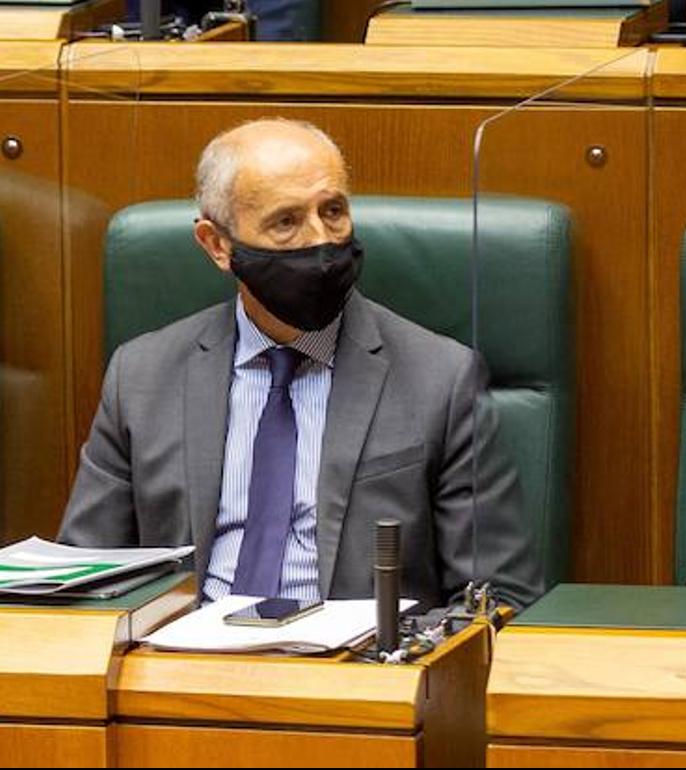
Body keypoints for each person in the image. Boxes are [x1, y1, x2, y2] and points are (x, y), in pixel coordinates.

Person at [59, 118, 541, 612]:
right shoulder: (141, 376)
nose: (320, 241)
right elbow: (85, 579)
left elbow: (499, 599)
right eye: (285, 222)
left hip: (358, 673)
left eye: (333, 211)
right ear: (217, 244)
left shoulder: (442, 378)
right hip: (178, 667)